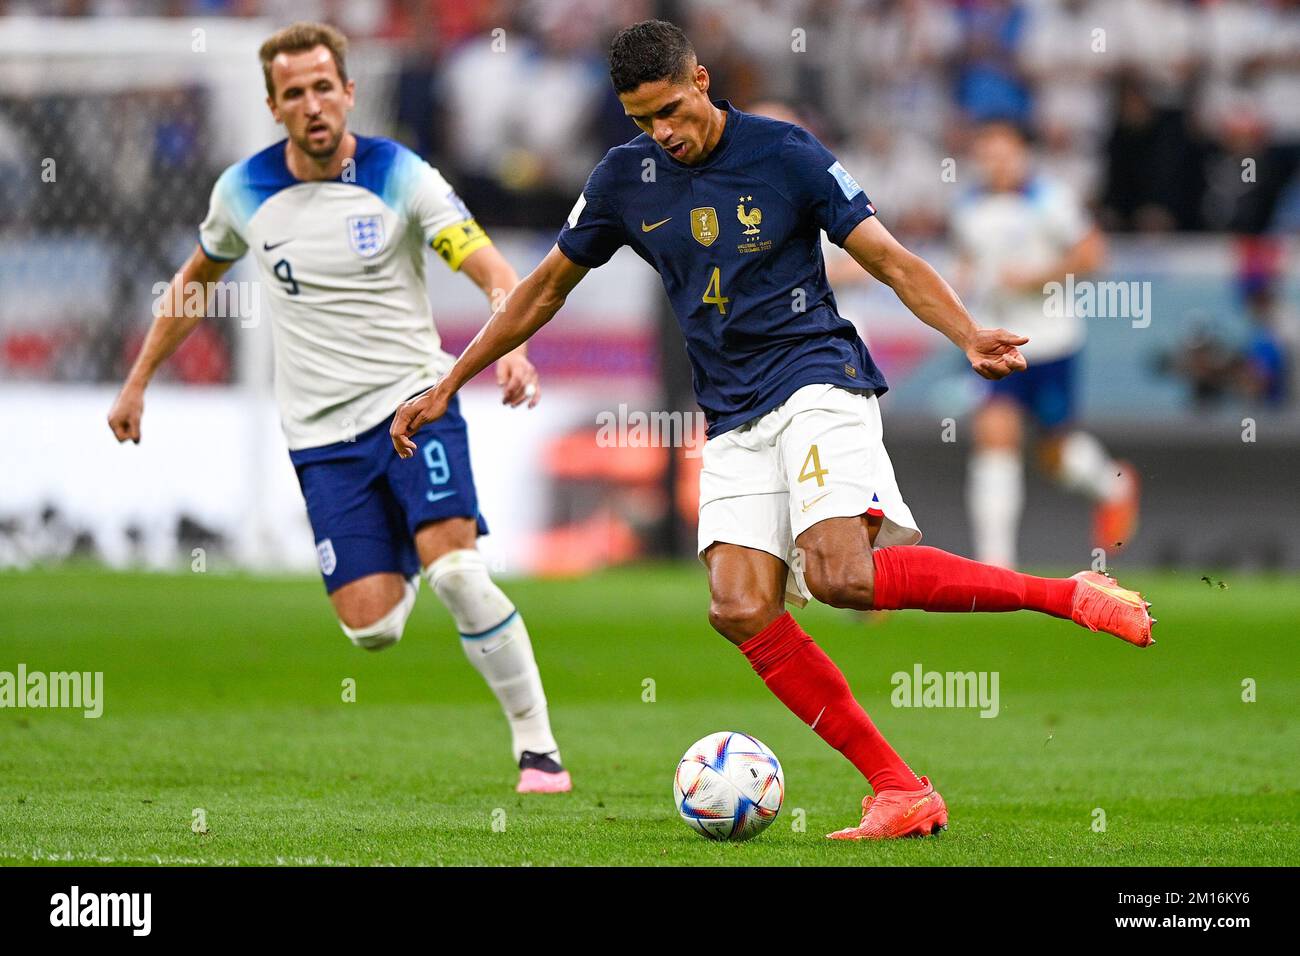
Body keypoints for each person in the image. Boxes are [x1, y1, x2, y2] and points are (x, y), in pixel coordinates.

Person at [391, 20, 1155, 839]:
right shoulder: (624, 179)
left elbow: (890, 257)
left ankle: (1068, 594)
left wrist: (966, 334)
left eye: (675, 110)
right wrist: (452, 381)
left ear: (704, 79)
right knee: (739, 605)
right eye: (644, 119)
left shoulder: (785, 154)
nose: (666, 133)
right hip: (732, 411)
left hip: (817, 379)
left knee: (840, 577)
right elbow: (543, 289)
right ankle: (900, 788)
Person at [107, 22, 571, 795]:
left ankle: (538, 750)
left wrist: (512, 345)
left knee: (458, 572)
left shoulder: (401, 176)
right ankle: (406, 540)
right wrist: (137, 380)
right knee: (372, 629)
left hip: (415, 405)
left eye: (325, 87)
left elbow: (489, 265)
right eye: (295, 93)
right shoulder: (242, 192)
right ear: (273, 106)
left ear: (349, 92)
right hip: (321, 438)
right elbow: (192, 285)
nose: (314, 104)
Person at [953, 120, 1139, 568]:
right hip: (997, 342)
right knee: (994, 436)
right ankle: (996, 565)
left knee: (1056, 454)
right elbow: (968, 263)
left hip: (1052, 340)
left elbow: (1094, 254)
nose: (996, 163)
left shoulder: (1050, 199)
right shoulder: (968, 207)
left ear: (1022, 154)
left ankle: (1113, 486)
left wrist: (1036, 278)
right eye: (987, 154)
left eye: (1004, 153)